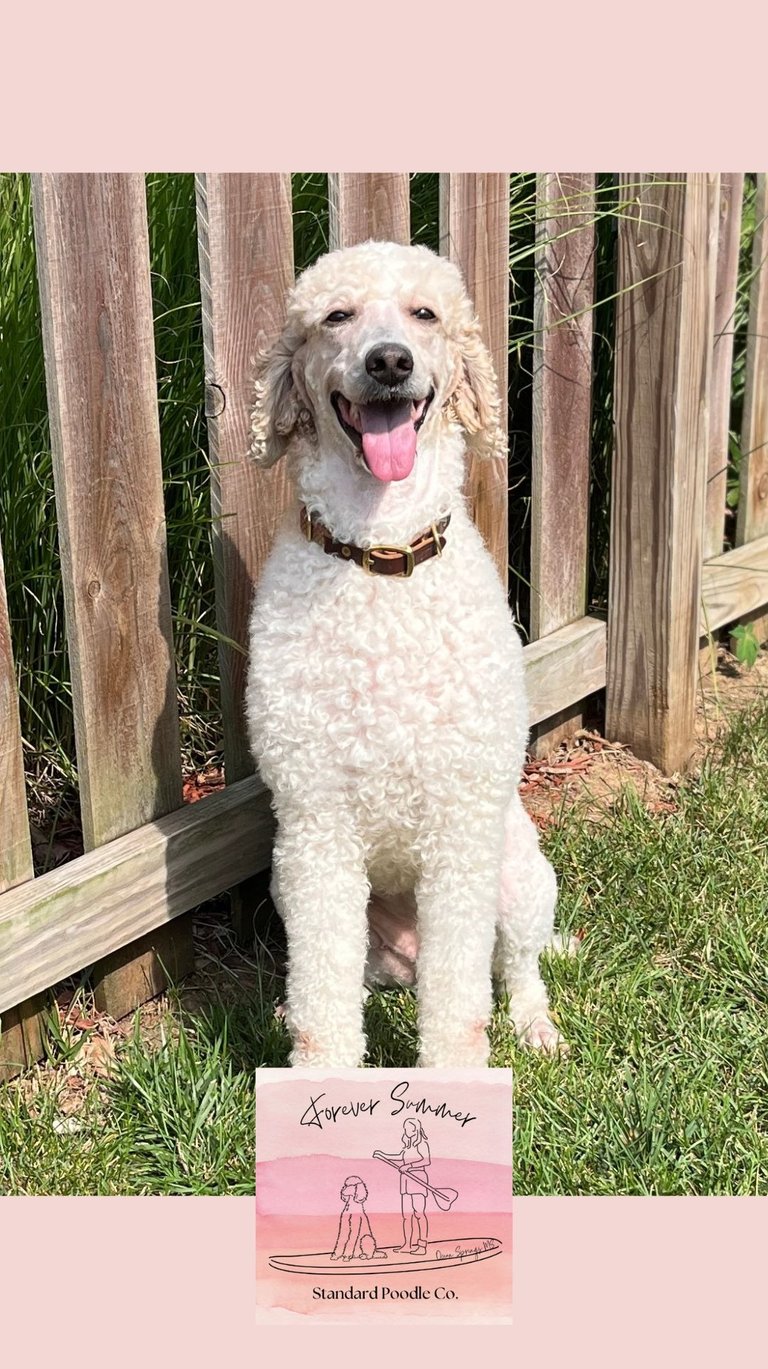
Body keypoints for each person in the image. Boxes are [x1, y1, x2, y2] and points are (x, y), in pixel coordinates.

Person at [374, 1119, 431, 1254]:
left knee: (419, 1214)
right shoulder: (408, 1146)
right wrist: (383, 1155)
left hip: (417, 1179)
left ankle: (422, 1246)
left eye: (408, 1128)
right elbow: (400, 1156)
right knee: (406, 1216)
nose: (405, 1131)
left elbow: (426, 1160)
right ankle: (407, 1244)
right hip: (405, 1180)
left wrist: (409, 1166)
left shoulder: (422, 1144)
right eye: (405, 1128)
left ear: (415, 1129)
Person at [330, 1176, 384, 1260]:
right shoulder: (347, 1209)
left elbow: (354, 1235)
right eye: (345, 1186)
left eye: (349, 1186)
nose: (345, 1189)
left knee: (359, 1235)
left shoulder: (358, 1212)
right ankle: (338, 1253)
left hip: (362, 1244)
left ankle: (351, 1254)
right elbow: (343, 1234)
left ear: (356, 1188)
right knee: (343, 1232)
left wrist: (347, 1254)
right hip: (348, 1209)